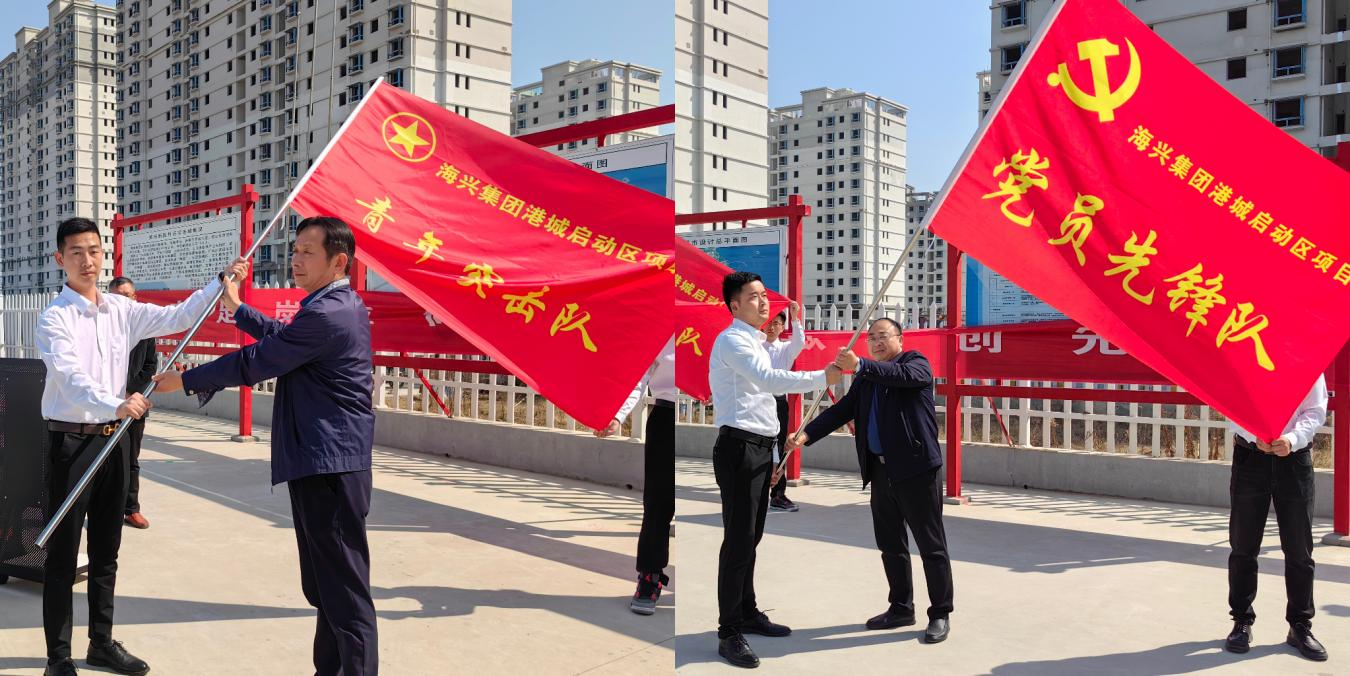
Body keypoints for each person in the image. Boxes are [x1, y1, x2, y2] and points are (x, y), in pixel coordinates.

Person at [154, 216, 378, 675]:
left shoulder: (330, 313)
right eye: (295, 250)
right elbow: (284, 342)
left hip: (330, 465)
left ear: (338, 262)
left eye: (308, 252)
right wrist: (238, 308)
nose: (296, 260)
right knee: (325, 587)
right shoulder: (328, 308)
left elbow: (260, 360)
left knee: (344, 593)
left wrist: (187, 380)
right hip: (318, 460)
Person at [36, 217, 245, 676]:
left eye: (94, 251)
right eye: (76, 252)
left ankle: (101, 643)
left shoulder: (121, 310)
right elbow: (70, 378)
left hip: (115, 441)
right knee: (63, 555)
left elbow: (177, 317)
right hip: (72, 442)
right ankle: (58, 658)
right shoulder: (55, 317)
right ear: (60, 259)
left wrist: (220, 283)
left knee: (107, 549)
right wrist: (114, 402)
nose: (87, 261)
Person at [786, 317, 954, 644]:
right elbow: (843, 410)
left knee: (931, 545)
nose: (876, 342)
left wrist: (861, 364)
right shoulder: (866, 378)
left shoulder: (915, 363)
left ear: (900, 339)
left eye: (883, 336)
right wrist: (806, 434)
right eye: (871, 338)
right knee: (890, 544)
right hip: (880, 470)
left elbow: (904, 377)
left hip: (917, 470)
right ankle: (901, 607)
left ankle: (940, 612)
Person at [709, 271, 842, 669]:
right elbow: (769, 380)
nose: (764, 302)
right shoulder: (732, 340)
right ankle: (728, 631)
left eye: (764, 295)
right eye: (753, 296)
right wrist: (821, 377)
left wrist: (770, 459)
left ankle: (747, 612)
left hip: (759, 448)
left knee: (751, 537)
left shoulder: (757, 341)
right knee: (738, 540)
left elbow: (773, 382)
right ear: (735, 305)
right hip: (738, 448)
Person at [1223, 375, 1327, 662]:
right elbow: (1229, 403)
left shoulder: (1308, 361)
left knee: (1299, 549)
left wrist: (1291, 439)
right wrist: (1253, 433)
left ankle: (1300, 626)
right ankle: (1241, 621)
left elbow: (1315, 409)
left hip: (1294, 459)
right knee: (1243, 546)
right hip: (1250, 456)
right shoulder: (1243, 355)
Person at [596, 335, 676, 615]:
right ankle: (649, 577)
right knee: (658, 504)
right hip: (666, 417)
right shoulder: (662, 331)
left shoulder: (720, 329)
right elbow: (638, 377)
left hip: (717, 419)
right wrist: (618, 415)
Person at [107, 277, 156, 530]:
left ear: (134, 298)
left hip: (134, 405)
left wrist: (129, 392)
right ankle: (103, 510)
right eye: (116, 296)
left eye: (126, 296)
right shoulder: (98, 328)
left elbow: (150, 367)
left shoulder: (144, 328)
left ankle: (131, 509)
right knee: (102, 460)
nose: (122, 301)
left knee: (131, 459)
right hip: (104, 406)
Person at [762, 303, 804, 513]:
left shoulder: (786, 349)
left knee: (779, 446)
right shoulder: (754, 346)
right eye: (769, 323)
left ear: (782, 327)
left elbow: (800, 342)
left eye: (776, 323)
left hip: (778, 402)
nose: (771, 327)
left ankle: (778, 494)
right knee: (758, 444)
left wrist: (795, 318)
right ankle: (758, 489)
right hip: (757, 401)